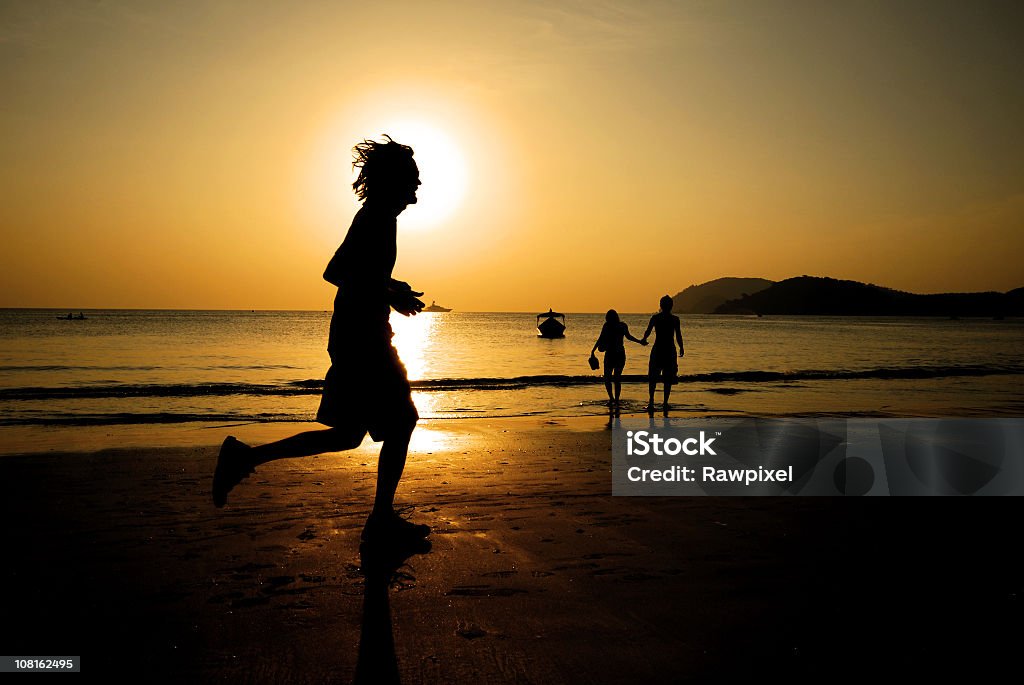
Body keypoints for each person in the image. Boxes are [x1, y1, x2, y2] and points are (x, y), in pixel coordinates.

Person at [213, 135, 429, 543]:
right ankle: (380, 521)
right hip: (361, 340)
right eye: (412, 181)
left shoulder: (382, 217)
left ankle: (245, 457)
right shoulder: (375, 217)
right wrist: (389, 292)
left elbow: (360, 275)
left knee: (347, 436)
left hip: (359, 336)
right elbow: (335, 272)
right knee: (403, 421)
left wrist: (390, 288)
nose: (417, 190)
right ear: (393, 181)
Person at [590, 309, 646, 411]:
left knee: (608, 378)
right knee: (616, 378)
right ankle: (615, 400)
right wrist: (640, 341)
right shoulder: (621, 325)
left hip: (611, 354)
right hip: (619, 354)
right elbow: (629, 337)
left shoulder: (608, 326)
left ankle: (612, 399)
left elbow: (601, 338)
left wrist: (593, 351)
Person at [641, 295, 684, 413]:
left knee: (653, 377)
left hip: (659, 349)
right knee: (668, 378)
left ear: (660, 305)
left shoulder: (656, 318)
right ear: (671, 306)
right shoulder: (675, 319)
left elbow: (648, 331)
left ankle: (651, 402)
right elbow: (678, 335)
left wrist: (644, 339)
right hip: (669, 350)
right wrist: (681, 347)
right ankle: (665, 403)